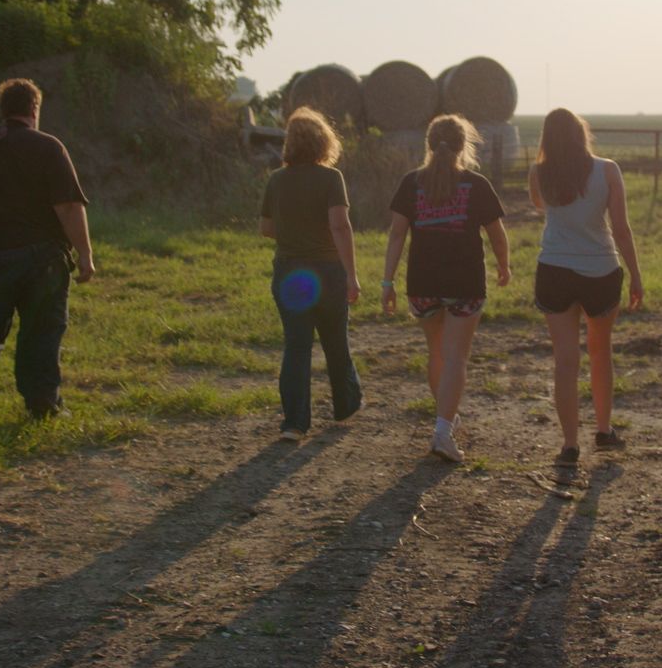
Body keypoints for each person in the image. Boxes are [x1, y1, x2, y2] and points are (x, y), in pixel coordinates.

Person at [0, 77, 96, 433]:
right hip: (38, 260)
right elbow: (69, 207)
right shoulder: (47, 147)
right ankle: (43, 405)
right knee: (41, 332)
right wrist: (85, 255)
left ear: (3, 109)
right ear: (34, 109)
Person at [381, 114, 511, 464]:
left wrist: (387, 282)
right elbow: (497, 233)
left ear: (428, 144)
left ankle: (446, 419)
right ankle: (442, 431)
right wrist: (504, 265)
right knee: (456, 357)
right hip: (465, 284)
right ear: (463, 145)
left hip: (422, 283)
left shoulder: (411, 183)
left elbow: (396, 235)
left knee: (437, 352)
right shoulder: (476, 184)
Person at [529, 108, 642, 465]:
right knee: (600, 353)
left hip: (555, 268)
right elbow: (621, 228)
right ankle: (604, 430)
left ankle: (569, 444)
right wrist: (636, 275)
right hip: (601, 270)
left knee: (565, 359)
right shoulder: (607, 170)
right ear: (582, 133)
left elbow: (540, 207)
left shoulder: (538, 173)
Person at [260, 107, 364, 441]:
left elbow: (266, 228)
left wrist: (295, 234)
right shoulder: (332, 178)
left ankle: (294, 423)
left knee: (297, 346)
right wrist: (351, 274)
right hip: (329, 271)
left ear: (290, 143)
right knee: (336, 342)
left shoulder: (276, 180)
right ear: (324, 141)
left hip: (290, 273)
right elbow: (340, 225)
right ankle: (345, 406)